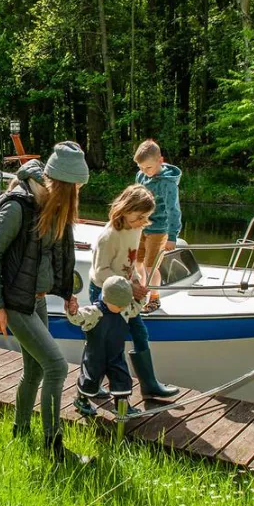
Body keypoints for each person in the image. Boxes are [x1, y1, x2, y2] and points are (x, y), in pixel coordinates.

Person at [0, 141, 90, 464]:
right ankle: (53, 448)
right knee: (56, 366)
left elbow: (52, 256)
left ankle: (21, 432)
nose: (76, 197)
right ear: (61, 184)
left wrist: (67, 292)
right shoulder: (18, 207)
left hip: (37, 300)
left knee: (34, 371)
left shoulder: (49, 206)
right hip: (15, 302)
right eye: (75, 190)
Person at [87, 184, 179, 400]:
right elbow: (101, 273)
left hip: (125, 290)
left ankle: (149, 385)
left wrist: (138, 282)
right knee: (104, 341)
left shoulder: (136, 228)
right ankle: (91, 386)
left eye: (146, 217)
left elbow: (129, 262)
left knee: (139, 332)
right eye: (139, 216)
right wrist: (130, 287)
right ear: (125, 208)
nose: (143, 222)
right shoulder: (109, 236)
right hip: (105, 293)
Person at [69, 275, 146, 417]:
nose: (123, 308)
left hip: (116, 353)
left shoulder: (124, 309)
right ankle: (82, 399)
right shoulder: (94, 312)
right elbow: (78, 318)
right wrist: (72, 311)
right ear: (106, 299)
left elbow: (136, 308)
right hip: (95, 354)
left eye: (124, 304)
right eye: (119, 305)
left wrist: (141, 297)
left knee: (122, 376)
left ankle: (122, 404)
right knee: (90, 377)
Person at [134, 139, 182, 314]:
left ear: (160, 161)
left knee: (150, 266)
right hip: (140, 227)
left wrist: (172, 236)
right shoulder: (141, 175)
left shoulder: (167, 184)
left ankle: (154, 298)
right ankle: (140, 292)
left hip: (158, 230)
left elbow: (173, 211)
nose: (144, 172)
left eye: (148, 168)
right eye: (141, 168)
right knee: (136, 262)